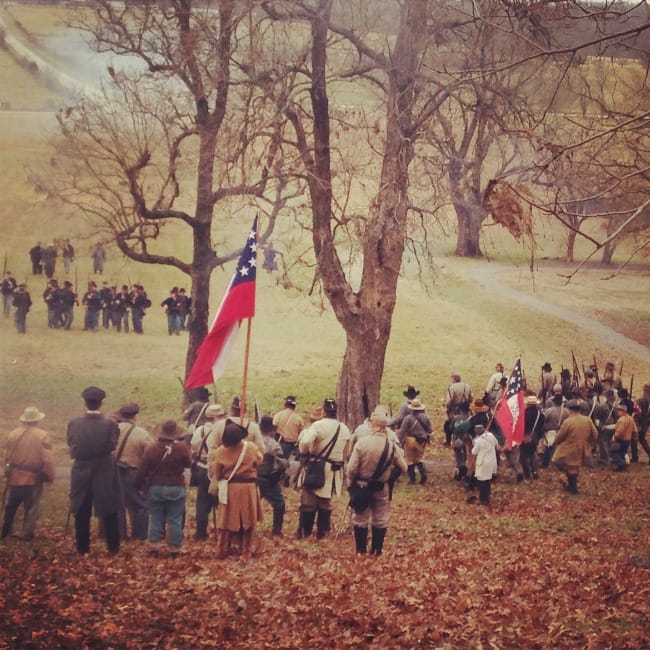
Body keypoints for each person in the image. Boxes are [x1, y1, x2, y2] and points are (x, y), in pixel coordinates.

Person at [67, 386, 122, 555]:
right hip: (104, 469)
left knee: (81, 510)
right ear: (101, 403)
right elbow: (111, 445)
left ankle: (82, 548)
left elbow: (71, 443)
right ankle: (113, 547)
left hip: (81, 469)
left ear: (85, 402)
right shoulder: (110, 423)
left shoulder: (74, 423)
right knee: (110, 509)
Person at [347, 406, 407, 555]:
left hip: (361, 485)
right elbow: (404, 467)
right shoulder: (392, 445)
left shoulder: (362, 443)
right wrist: (390, 477)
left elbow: (351, 468)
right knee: (380, 518)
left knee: (360, 517)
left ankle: (360, 551)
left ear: (372, 425)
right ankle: (376, 550)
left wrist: (351, 483)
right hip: (382, 487)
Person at [135, 420, 191, 557]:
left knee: (155, 518)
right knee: (175, 520)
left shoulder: (151, 448)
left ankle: (154, 547)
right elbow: (188, 464)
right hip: (176, 487)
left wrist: (138, 486)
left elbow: (142, 470)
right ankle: (174, 549)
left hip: (155, 487)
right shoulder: (182, 448)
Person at [297, 398, 351, 540]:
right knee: (325, 502)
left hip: (316, 466)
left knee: (309, 500)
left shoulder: (318, 426)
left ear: (324, 411)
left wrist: (304, 452)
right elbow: (347, 451)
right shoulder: (344, 428)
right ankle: (322, 533)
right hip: (334, 469)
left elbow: (305, 441)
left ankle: (306, 533)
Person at [210, 419, 263, 559]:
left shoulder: (220, 451)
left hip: (230, 488)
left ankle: (222, 548)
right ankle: (246, 550)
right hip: (248, 488)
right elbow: (259, 461)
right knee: (248, 520)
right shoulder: (251, 448)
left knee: (225, 520)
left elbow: (217, 472)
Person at [1, 406, 55, 541]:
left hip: (14, 477)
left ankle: (4, 531)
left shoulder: (13, 433)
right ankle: (26, 535)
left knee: (9, 507)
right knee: (31, 508)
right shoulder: (42, 435)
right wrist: (50, 476)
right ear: (37, 420)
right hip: (33, 479)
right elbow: (47, 459)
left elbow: (6, 456)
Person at [114, 403, 152, 542]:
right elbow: (149, 454)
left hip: (114, 472)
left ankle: (120, 535)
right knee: (140, 504)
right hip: (134, 472)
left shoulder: (112, 430)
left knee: (118, 505)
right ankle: (140, 535)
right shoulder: (141, 433)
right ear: (135, 416)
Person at [190, 404, 226, 541]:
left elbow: (193, 448)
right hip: (216, 470)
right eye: (222, 416)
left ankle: (200, 533)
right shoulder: (221, 431)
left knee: (202, 503)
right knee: (221, 502)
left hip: (200, 469)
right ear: (216, 417)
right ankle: (223, 532)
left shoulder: (199, 430)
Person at [552, 400, 598, 494]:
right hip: (582, 447)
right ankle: (571, 485)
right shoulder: (587, 419)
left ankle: (573, 488)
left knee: (560, 462)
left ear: (570, 410)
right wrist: (590, 444)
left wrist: (555, 442)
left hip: (570, 447)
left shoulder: (568, 421)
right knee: (575, 467)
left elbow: (560, 436)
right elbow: (595, 434)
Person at [257, 416, 288, 536]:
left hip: (251, 478)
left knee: (249, 505)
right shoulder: (273, 444)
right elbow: (281, 464)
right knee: (279, 503)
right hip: (267, 479)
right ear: (270, 430)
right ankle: (276, 531)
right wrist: (277, 476)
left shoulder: (250, 441)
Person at [398, 398, 432, 485]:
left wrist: (398, 440)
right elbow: (430, 429)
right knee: (419, 458)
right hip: (422, 440)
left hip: (410, 439)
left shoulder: (408, 418)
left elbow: (402, 431)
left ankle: (412, 479)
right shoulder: (425, 418)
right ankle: (423, 474)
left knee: (410, 460)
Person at [470, 424, 498, 507]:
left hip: (483, 461)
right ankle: (487, 494)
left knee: (481, 481)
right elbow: (496, 443)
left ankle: (483, 498)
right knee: (487, 479)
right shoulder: (491, 436)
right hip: (492, 460)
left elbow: (474, 452)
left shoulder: (478, 441)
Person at [273, 395, 304, 460]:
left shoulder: (278, 415)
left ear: (285, 405)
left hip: (279, 442)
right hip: (292, 445)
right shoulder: (298, 418)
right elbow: (301, 433)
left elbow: (273, 428)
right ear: (294, 406)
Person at [521, 395, 545, 480]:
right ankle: (534, 471)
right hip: (535, 438)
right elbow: (542, 427)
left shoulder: (524, 414)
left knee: (523, 455)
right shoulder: (541, 415)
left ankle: (527, 473)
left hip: (524, 437)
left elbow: (521, 427)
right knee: (532, 454)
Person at [445, 372, 473, 445]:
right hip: (465, 409)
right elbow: (471, 398)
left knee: (447, 424)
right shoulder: (467, 386)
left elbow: (449, 401)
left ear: (454, 379)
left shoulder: (452, 387)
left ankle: (448, 441)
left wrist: (447, 406)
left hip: (455, 409)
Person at [610, 402, 636, 472]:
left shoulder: (622, 420)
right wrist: (634, 437)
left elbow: (619, 431)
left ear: (623, 411)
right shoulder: (630, 418)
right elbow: (634, 429)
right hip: (628, 439)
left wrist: (614, 438)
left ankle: (622, 464)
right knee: (622, 452)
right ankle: (620, 467)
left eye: (619, 410)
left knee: (614, 452)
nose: (617, 412)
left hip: (621, 439)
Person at [635, 383, 650, 464]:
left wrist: (636, 422)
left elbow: (638, 413)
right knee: (642, 439)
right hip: (646, 423)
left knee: (637, 439)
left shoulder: (641, 400)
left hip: (640, 423)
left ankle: (634, 457)